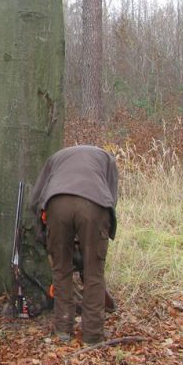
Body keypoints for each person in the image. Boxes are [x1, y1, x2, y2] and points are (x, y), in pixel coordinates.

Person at [29, 145, 118, 345]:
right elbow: (111, 197)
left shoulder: (56, 157)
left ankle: (62, 328)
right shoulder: (107, 158)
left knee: (61, 270)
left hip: (57, 203)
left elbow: (35, 198)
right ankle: (93, 335)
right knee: (94, 273)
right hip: (94, 205)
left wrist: (42, 225)